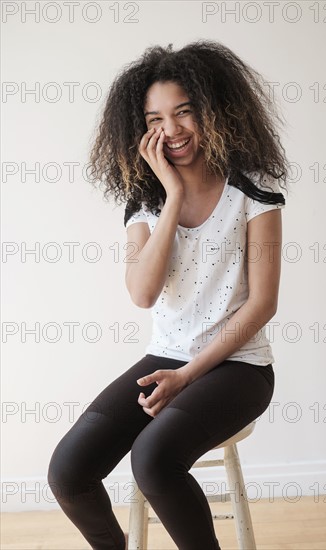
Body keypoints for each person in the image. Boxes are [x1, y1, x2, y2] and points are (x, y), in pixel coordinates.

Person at [47, 39, 290, 550]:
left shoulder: (254, 190)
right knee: (69, 472)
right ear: (140, 129)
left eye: (184, 112)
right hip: (167, 357)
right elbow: (142, 293)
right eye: (155, 119)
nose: (171, 130)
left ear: (213, 112)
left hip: (240, 366)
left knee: (153, 460)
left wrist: (187, 375)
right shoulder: (147, 204)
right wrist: (173, 195)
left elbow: (262, 303)